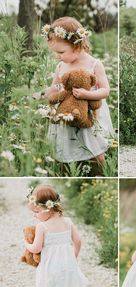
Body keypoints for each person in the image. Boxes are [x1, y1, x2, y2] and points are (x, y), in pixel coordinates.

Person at [41, 17, 114, 172]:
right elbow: (54, 89)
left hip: (89, 115)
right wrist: (42, 94)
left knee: (95, 150)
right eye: (55, 52)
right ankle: (67, 171)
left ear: (77, 45)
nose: (58, 56)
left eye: (61, 52)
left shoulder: (94, 64)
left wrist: (86, 94)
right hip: (67, 113)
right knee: (64, 148)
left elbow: (105, 90)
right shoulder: (61, 66)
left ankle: (100, 173)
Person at [24, 184, 88, 287]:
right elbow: (78, 241)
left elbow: (36, 248)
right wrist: (73, 257)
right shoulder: (68, 222)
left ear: (49, 208)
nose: (34, 216)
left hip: (49, 267)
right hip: (67, 265)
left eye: (36, 212)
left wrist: (26, 243)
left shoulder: (42, 227)